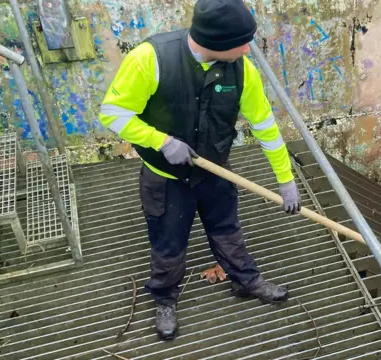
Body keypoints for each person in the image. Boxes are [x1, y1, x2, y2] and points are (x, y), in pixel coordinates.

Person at [99, 0, 301, 341]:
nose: (249, 48)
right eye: (243, 41)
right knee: (168, 241)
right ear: (218, 42)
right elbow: (113, 113)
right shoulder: (151, 59)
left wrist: (286, 180)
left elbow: (265, 126)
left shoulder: (241, 69)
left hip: (216, 171)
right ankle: (164, 299)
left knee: (227, 229)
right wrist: (162, 141)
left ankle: (246, 281)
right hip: (165, 176)